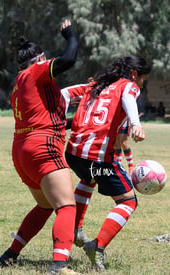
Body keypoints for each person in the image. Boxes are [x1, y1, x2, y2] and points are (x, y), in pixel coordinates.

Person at [0, 19, 82, 275]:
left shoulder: (18, 83)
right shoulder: (36, 72)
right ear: (40, 59)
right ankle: (59, 266)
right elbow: (68, 60)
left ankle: (10, 255)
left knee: (46, 205)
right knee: (67, 206)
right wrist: (71, 36)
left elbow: (40, 119)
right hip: (42, 147)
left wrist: (71, 123)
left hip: (23, 149)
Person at [62, 55, 151, 271]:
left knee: (88, 178)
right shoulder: (128, 85)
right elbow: (129, 99)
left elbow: (64, 93)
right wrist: (135, 123)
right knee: (128, 202)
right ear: (134, 75)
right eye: (143, 80)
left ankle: (74, 228)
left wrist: (59, 121)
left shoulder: (96, 83)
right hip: (98, 156)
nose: (141, 84)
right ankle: (97, 246)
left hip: (74, 152)